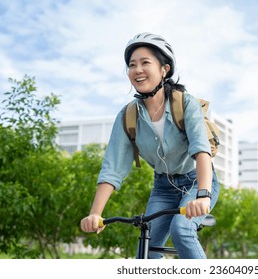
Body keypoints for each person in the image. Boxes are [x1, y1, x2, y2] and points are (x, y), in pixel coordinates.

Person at [80, 32, 220, 259]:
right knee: (147, 246)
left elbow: (201, 151)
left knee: (182, 229)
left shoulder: (185, 103)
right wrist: (95, 214)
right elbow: (112, 168)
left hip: (196, 180)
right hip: (163, 187)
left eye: (146, 62)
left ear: (164, 69)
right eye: (132, 65)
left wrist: (203, 195)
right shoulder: (128, 116)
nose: (137, 70)